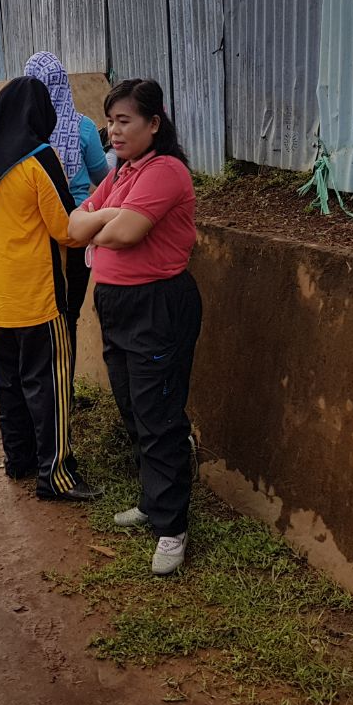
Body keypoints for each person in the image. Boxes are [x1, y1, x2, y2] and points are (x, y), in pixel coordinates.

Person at [67, 79, 201, 576]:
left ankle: (172, 526)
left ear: (153, 124)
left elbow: (123, 234)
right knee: (131, 403)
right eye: (110, 121)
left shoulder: (166, 171)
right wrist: (105, 215)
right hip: (117, 303)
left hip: (157, 305)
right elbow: (70, 226)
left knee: (158, 412)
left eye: (124, 121)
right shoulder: (124, 172)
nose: (113, 130)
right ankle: (153, 500)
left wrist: (99, 219)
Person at [0, 77, 101, 503]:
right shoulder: (39, 157)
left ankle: (18, 459)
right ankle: (55, 476)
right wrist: (104, 215)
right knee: (50, 384)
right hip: (38, 294)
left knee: (10, 380)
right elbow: (66, 230)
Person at [23, 51, 111, 361]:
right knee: (69, 314)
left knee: (38, 316)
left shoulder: (22, 131)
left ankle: (42, 387)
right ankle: (65, 390)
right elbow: (103, 177)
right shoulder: (83, 127)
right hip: (75, 231)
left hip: (34, 234)